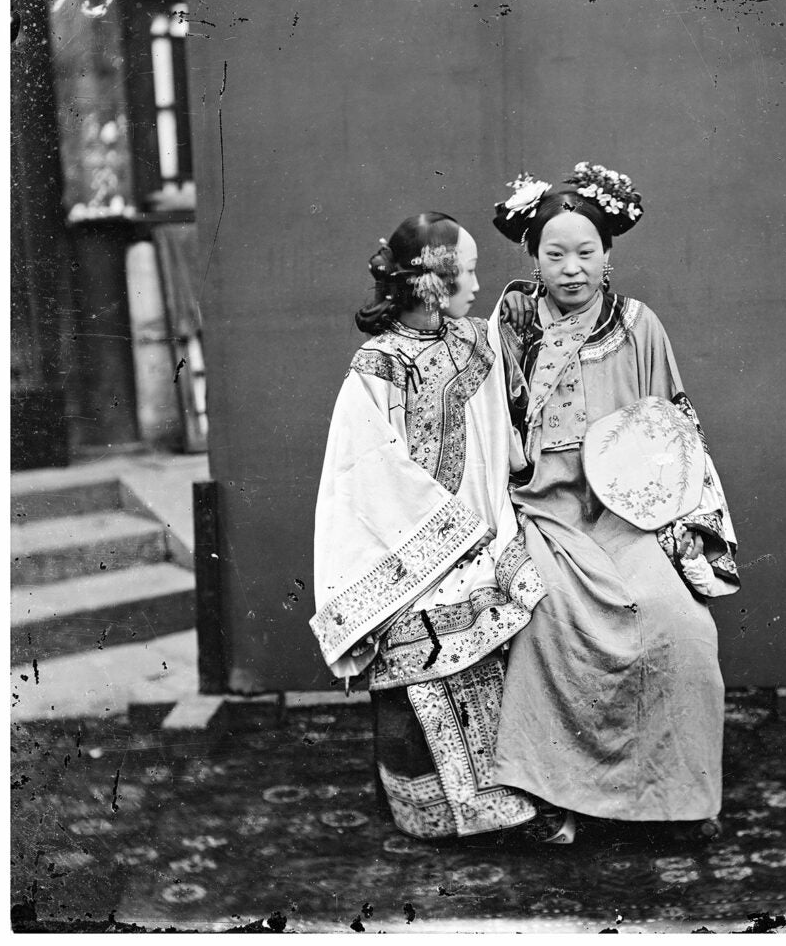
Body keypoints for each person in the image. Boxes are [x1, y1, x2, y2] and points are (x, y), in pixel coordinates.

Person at [489, 164, 740, 845]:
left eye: (585, 252)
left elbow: (673, 431)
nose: (570, 269)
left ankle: (678, 797)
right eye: (554, 254)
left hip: (627, 515)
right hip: (542, 512)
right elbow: (486, 433)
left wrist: (678, 522)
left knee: (679, 625)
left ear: (609, 255)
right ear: (532, 257)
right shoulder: (509, 328)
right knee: (547, 618)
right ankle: (552, 797)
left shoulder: (638, 326)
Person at [310, 212, 547, 841]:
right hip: (406, 549)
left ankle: (508, 800)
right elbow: (363, 470)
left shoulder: (475, 340)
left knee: (505, 628)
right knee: (413, 652)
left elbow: (502, 429)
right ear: (429, 284)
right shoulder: (377, 364)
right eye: (465, 272)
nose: (475, 284)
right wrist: (442, 539)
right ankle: (427, 814)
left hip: (482, 533)